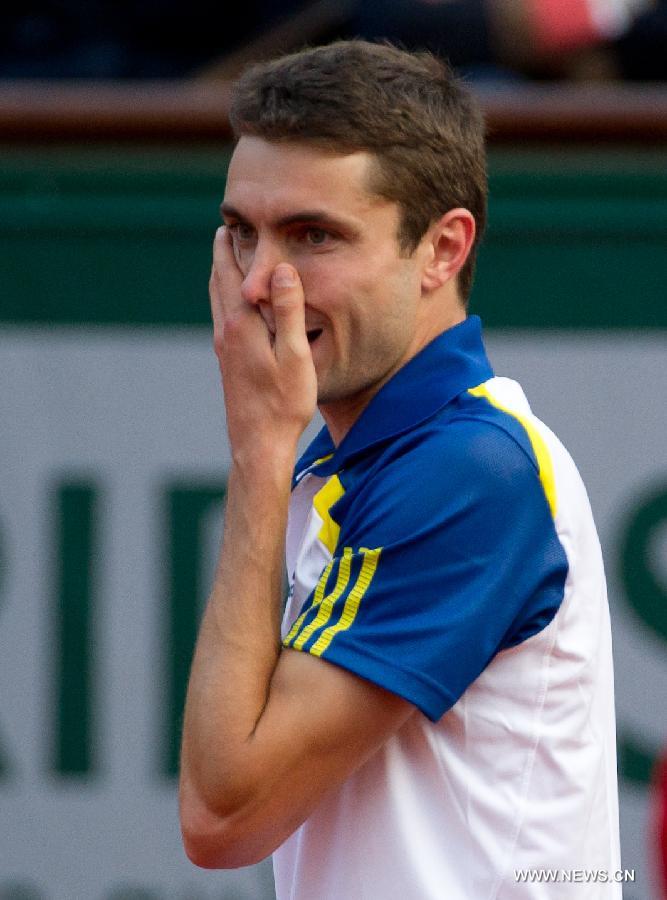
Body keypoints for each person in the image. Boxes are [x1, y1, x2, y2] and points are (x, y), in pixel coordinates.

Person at [178, 40, 621, 899]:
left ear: (442, 250)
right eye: (241, 232)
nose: (265, 282)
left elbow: (223, 814)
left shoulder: (468, 472)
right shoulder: (361, 462)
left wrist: (259, 450)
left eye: (314, 236)